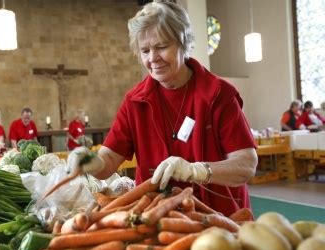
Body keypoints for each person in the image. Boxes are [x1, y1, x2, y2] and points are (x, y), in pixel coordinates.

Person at [66, 1, 257, 217]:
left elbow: (246, 165)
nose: (152, 58)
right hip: (158, 220)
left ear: (183, 43)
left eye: (161, 47)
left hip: (221, 219)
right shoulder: (135, 101)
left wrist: (198, 170)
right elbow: (109, 161)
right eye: (145, 50)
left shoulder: (218, 94)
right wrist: (90, 161)